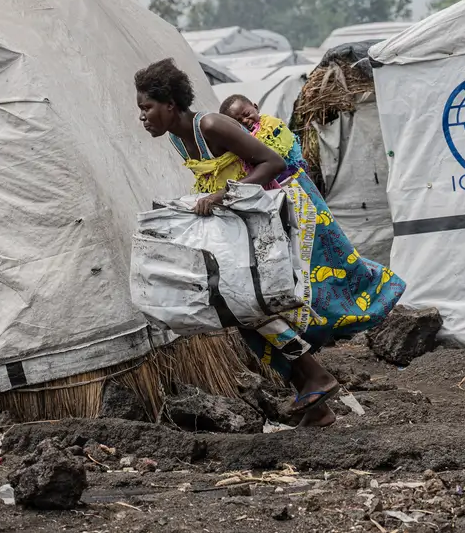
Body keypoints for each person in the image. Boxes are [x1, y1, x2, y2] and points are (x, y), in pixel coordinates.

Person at [134, 59, 405, 427]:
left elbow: (271, 162)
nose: (143, 117)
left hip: (283, 215)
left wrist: (223, 195)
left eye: (146, 107)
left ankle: (316, 379)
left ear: (169, 104)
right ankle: (315, 400)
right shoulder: (179, 139)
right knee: (246, 312)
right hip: (246, 226)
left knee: (274, 305)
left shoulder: (210, 125)